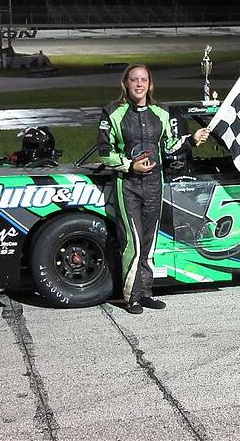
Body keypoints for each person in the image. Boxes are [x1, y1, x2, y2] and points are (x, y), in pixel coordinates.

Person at [96, 64, 210, 314]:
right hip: (127, 186)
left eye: (143, 80)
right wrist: (129, 165)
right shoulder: (113, 113)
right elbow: (104, 151)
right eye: (134, 80)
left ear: (150, 84)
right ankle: (131, 298)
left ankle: (146, 293)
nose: (139, 84)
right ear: (125, 83)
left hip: (154, 186)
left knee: (149, 243)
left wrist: (192, 140)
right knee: (133, 244)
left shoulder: (160, 113)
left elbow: (169, 147)